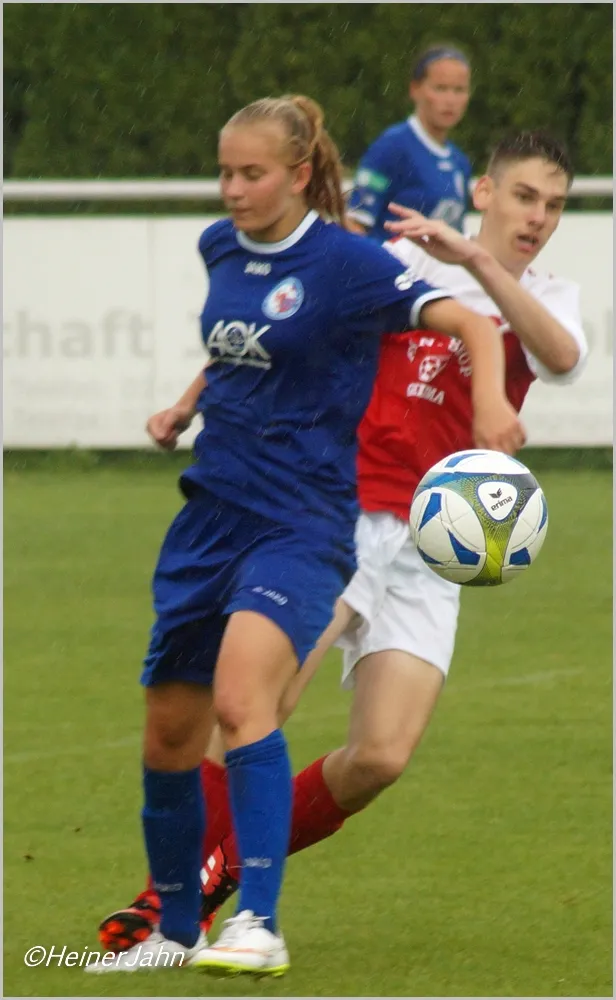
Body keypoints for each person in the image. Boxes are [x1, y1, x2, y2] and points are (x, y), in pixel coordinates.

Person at [98, 130, 587, 951]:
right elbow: (276, 334)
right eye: (525, 196)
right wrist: (188, 400)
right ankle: (168, 905)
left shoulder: (544, 296)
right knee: (257, 701)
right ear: (485, 192)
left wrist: (477, 262)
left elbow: (562, 357)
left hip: (433, 547)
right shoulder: (398, 262)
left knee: (380, 757)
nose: (538, 216)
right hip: (348, 511)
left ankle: (216, 881)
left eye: (555, 205)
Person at [347, 43, 472, 241]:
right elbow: (355, 223)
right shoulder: (391, 147)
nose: (450, 100)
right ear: (415, 89)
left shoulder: (460, 162)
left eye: (459, 90)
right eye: (440, 88)